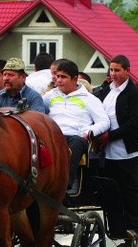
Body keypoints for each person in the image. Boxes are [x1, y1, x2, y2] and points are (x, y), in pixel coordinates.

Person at [94, 55, 138, 240]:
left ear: (127, 70)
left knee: (129, 189)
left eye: (117, 70)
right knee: (110, 190)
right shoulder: (105, 91)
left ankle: (133, 226)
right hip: (106, 151)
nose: (113, 74)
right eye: (111, 70)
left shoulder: (134, 94)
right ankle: (116, 227)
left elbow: (136, 122)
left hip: (126, 150)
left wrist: (110, 136)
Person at [43, 60, 109, 194]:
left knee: (77, 142)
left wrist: (89, 132)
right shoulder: (49, 96)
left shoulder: (89, 99)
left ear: (74, 79)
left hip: (76, 138)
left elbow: (104, 122)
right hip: (53, 137)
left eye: (63, 77)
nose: (59, 80)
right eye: (58, 76)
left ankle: (64, 184)